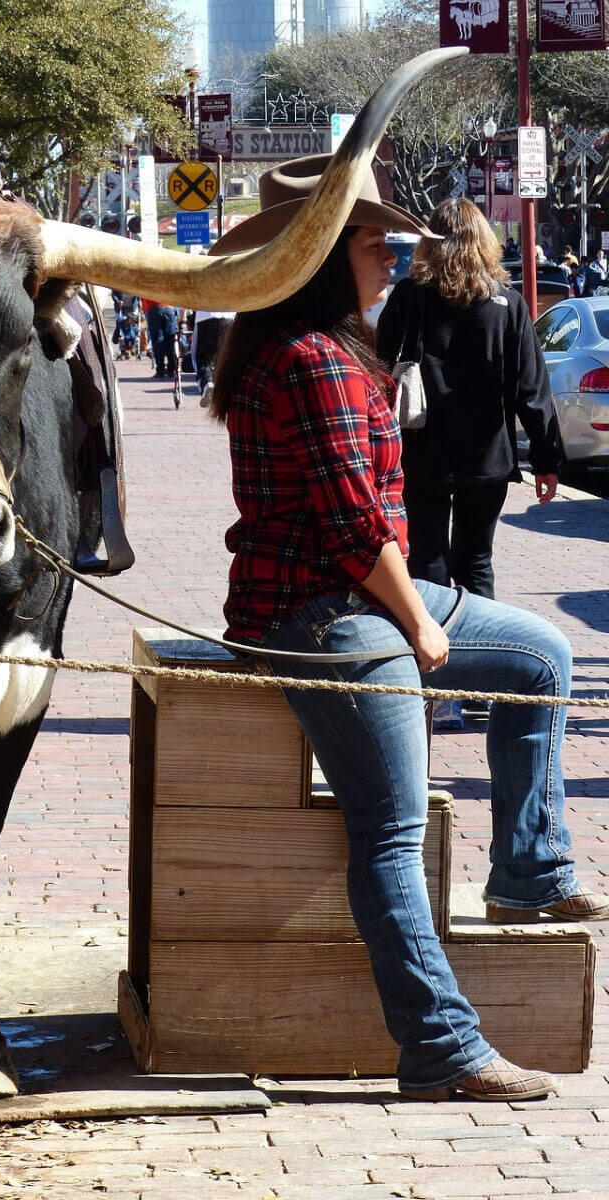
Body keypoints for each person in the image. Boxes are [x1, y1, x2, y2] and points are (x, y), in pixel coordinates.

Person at [208, 154, 609, 1102]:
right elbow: (355, 530)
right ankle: (439, 1044)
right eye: (373, 242)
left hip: (354, 594)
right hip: (321, 614)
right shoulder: (311, 360)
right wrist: (422, 626)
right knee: (388, 832)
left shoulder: (326, 348)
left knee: (542, 653)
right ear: (317, 257)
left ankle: (528, 868)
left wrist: (416, 610)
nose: (392, 257)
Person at [377, 199, 561, 725]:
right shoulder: (506, 303)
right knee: (476, 561)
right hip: (487, 455)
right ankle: (482, 680)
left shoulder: (410, 297)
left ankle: (436, 681)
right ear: (484, 241)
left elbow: (380, 366)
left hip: (421, 452)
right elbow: (531, 389)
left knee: (427, 562)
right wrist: (547, 459)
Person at [191, 309, 234, 407]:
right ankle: (222, 390)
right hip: (229, 316)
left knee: (202, 357)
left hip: (206, 315)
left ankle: (207, 382)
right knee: (223, 357)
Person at [141, 298, 178, 378]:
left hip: (154, 308)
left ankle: (160, 370)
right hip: (169, 307)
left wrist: (145, 310)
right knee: (170, 340)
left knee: (157, 341)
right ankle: (171, 369)